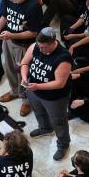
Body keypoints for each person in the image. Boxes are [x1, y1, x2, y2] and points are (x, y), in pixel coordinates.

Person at [22, 27, 74, 161]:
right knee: (38, 111)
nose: (40, 50)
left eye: (44, 47)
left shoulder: (63, 57)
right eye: (39, 46)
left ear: (53, 43)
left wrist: (38, 86)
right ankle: (45, 128)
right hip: (34, 90)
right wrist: (24, 77)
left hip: (54, 97)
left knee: (59, 121)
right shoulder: (36, 46)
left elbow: (60, 83)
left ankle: (63, 144)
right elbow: (25, 62)